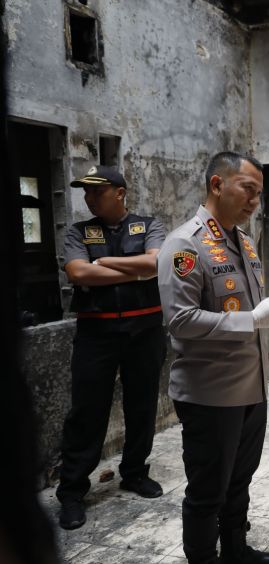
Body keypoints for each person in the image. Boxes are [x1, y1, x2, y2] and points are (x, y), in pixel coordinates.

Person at [158, 152, 269, 564]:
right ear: (217, 185)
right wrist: (251, 319)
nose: (255, 201)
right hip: (210, 394)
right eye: (248, 189)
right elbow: (180, 320)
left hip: (252, 385)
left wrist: (267, 312)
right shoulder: (185, 244)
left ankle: (236, 551)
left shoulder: (244, 241)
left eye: (259, 194)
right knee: (207, 490)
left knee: (239, 482)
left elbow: (242, 309)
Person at [56, 165, 167, 531]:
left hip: (145, 331)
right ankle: (72, 491)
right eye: (86, 193)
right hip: (96, 333)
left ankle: (135, 472)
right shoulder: (78, 232)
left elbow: (157, 263)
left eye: (96, 191)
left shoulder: (149, 225)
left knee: (142, 405)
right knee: (87, 413)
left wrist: (103, 261)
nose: (89, 198)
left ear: (119, 192)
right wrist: (136, 270)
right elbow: (78, 273)